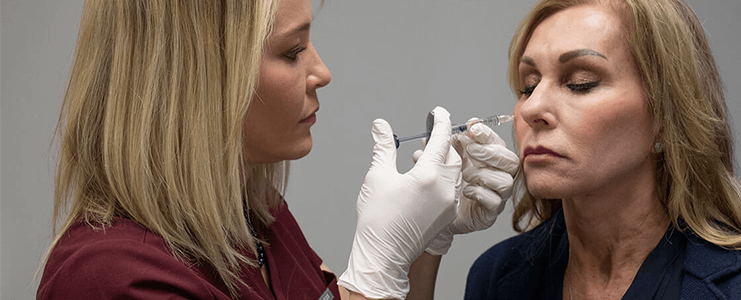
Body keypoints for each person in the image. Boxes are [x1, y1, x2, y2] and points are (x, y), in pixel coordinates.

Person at [36, 0, 517, 299]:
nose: (321, 72)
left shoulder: (258, 223)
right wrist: (375, 273)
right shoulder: (110, 280)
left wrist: (422, 245)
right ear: (199, 83)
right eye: (292, 52)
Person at [465, 0, 741, 299]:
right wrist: (423, 246)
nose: (530, 109)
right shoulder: (496, 277)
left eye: (579, 83)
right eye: (528, 86)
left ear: (664, 113)